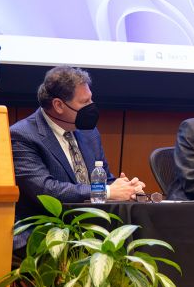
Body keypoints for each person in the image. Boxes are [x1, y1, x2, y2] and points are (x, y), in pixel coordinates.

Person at [10, 66, 145, 224]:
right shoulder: (22, 136)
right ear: (59, 105)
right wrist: (107, 191)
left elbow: (104, 179)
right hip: (46, 231)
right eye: (85, 101)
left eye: (91, 99)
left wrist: (125, 187)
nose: (92, 106)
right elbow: (46, 190)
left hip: (91, 226)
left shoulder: (89, 132)